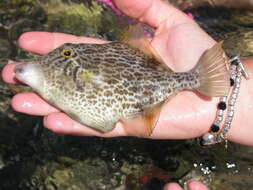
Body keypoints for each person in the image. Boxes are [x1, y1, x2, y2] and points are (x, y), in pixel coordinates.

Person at [2, 0, 253, 189]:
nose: (66, 56)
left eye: (67, 54)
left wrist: (229, 94)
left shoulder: (72, 71)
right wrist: (232, 96)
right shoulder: (56, 75)